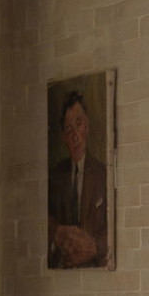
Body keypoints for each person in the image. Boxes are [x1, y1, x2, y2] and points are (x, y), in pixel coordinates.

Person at [48, 90, 109, 268]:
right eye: (68, 129)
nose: (75, 136)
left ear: (87, 125)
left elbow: (117, 228)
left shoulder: (103, 175)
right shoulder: (55, 177)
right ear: (63, 137)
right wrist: (56, 232)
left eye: (79, 124)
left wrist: (95, 247)